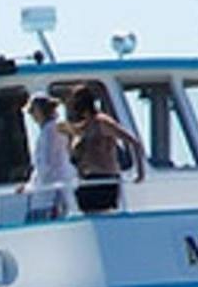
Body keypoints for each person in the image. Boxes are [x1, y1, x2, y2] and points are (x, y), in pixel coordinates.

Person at [63, 84, 145, 213]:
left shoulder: (102, 123)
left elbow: (134, 142)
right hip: (89, 179)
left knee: (100, 212)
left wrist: (140, 172)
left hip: (105, 178)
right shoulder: (84, 127)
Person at [18, 91, 72, 221]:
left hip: (50, 194)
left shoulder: (50, 130)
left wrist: (30, 187)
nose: (31, 115)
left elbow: (47, 166)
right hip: (46, 193)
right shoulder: (50, 129)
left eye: (33, 111)